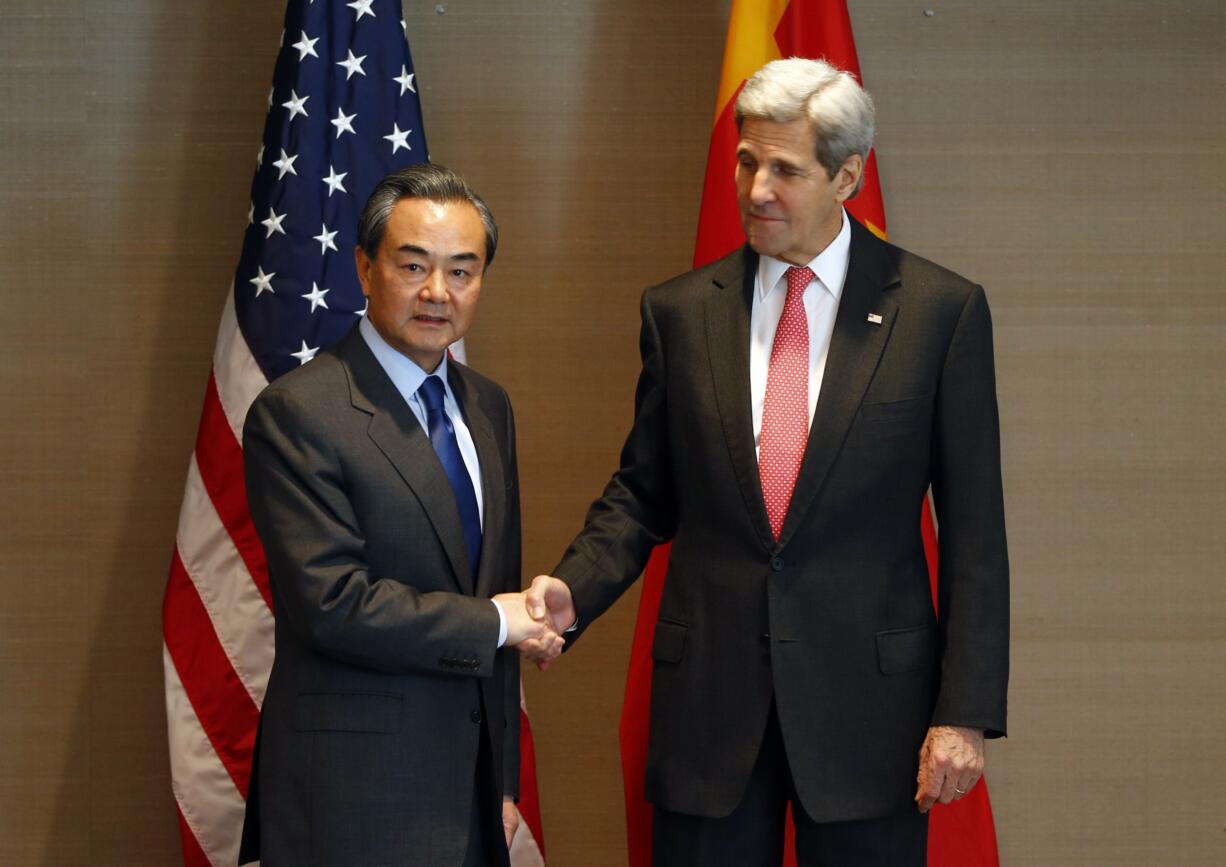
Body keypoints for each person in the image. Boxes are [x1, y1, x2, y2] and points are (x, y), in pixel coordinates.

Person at [525, 58, 1009, 865]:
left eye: (785, 169)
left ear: (847, 175)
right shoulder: (678, 312)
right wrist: (571, 589)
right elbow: (644, 493)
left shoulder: (939, 313)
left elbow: (975, 533)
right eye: (748, 161)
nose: (755, 189)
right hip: (711, 706)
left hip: (871, 712)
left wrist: (962, 711)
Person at [237, 163, 562, 867]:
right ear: (364, 266)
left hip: (472, 796)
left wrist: (500, 780)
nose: (437, 293)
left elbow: (491, 584)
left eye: (462, 271)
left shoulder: (488, 405)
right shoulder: (298, 412)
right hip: (355, 802)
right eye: (413, 265)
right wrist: (504, 621)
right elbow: (332, 603)